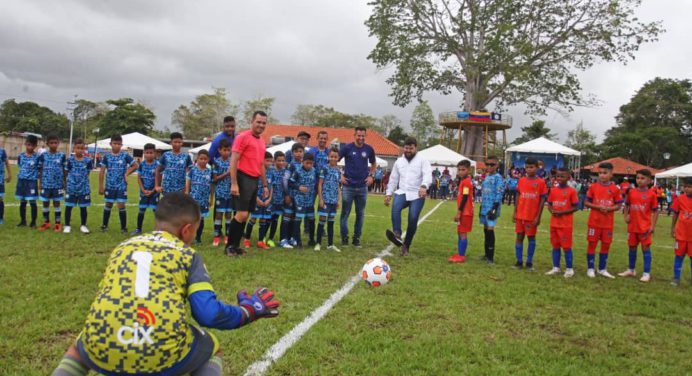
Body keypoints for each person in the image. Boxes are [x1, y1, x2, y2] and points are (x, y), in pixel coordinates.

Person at [50, 192, 280, 376]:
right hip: (159, 349)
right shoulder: (187, 255)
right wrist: (248, 311)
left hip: (103, 342)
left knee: (80, 347)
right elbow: (208, 315)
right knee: (212, 348)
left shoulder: (123, 247)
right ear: (187, 229)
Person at [224, 111, 269, 256]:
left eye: (263, 123)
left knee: (246, 214)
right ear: (252, 121)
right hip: (242, 178)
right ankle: (229, 246)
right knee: (241, 214)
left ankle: (236, 246)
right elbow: (234, 160)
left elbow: (261, 164)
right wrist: (234, 183)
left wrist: (265, 185)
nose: (261, 125)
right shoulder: (242, 137)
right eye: (259, 122)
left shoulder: (262, 141)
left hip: (254, 180)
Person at [384, 137, 432, 256]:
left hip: (417, 193)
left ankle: (406, 245)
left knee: (413, 218)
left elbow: (427, 175)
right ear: (403, 148)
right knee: (395, 208)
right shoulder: (399, 161)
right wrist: (389, 193)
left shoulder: (423, 160)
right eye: (406, 148)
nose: (408, 150)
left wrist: (424, 186)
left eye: (411, 148)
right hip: (403, 192)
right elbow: (393, 178)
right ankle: (397, 234)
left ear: (416, 148)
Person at [618, 169, 659, 282]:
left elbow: (655, 211)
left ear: (649, 180)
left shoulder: (652, 194)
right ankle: (631, 269)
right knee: (632, 247)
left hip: (644, 227)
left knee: (645, 248)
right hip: (632, 227)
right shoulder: (631, 192)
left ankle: (646, 273)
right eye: (638, 178)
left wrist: (652, 225)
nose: (639, 180)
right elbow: (626, 205)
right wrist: (626, 216)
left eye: (642, 178)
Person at [584, 162, 623, 279]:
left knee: (606, 245)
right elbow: (586, 202)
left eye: (605, 173)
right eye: (600, 173)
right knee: (592, 244)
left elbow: (619, 205)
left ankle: (602, 269)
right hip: (594, 222)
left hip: (607, 223)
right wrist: (598, 207)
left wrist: (610, 209)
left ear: (611, 174)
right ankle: (590, 268)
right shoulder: (593, 187)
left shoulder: (615, 189)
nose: (602, 175)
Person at [339, 127, 376, 247]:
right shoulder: (347, 148)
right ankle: (344, 238)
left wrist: (371, 176)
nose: (361, 138)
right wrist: (340, 176)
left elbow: (374, 163)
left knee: (360, 214)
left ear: (365, 136)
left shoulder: (369, 149)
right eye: (358, 135)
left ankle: (356, 238)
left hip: (362, 188)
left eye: (363, 136)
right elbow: (333, 160)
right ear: (354, 135)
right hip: (348, 187)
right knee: (345, 213)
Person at [512, 158, 548, 271]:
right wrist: (515, 211)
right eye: (527, 167)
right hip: (520, 215)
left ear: (537, 168)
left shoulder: (541, 182)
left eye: (531, 167)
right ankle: (519, 261)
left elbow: (542, 201)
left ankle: (529, 262)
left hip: (531, 216)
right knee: (519, 237)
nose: (529, 169)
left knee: (531, 238)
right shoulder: (521, 180)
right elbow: (518, 196)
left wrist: (538, 216)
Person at [98, 134, 137, 233]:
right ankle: (104, 225)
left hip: (121, 185)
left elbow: (135, 165)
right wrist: (101, 186)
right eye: (115, 143)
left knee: (121, 205)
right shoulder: (106, 156)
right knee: (108, 204)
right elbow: (102, 171)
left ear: (121, 145)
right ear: (111, 144)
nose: (117, 146)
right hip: (109, 185)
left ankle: (123, 228)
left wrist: (126, 174)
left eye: (119, 144)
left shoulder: (125, 155)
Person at [545, 168, 579, 277]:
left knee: (566, 247)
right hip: (554, 223)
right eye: (558, 176)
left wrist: (562, 212)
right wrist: (551, 211)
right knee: (555, 246)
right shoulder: (553, 190)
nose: (559, 178)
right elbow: (549, 204)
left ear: (568, 178)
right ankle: (556, 267)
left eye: (562, 176)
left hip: (565, 224)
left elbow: (576, 207)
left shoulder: (571, 191)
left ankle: (569, 269)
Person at [242, 152, 274, 249]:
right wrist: (256, 199)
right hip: (257, 199)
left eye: (271, 161)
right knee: (253, 219)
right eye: (267, 161)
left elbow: (272, 186)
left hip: (266, 201)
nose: (269, 163)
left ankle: (260, 241)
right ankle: (246, 239)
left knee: (263, 219)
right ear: (261, 160)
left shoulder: (271, 172)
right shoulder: (256, 171)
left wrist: (269, 198)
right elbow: (251, 187)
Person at [63, 139, 93, 234]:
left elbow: (87, 173)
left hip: (83, 188)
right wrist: (66, 184)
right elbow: (66, 172)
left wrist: (82, 182)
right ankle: (67, 225)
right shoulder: (70, 160)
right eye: (78, 148)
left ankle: (83, 225)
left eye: (82, 148)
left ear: (84, 149)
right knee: (68, 207)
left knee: (83, 207)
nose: (80, 150)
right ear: (74, 148)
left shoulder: (88, 161)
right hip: (71, 187)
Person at [37, 134, 67, 231]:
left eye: (55, 143)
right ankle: (46, 223)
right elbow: (40, 169)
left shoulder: (62, 155)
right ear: (47, 144)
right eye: (51, 143)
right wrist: (40, 183)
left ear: (58, 143)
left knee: (57, 203)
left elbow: (65, 170)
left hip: (57, 184)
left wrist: (65, 182)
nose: (53, 144)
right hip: (46, 184)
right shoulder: (43, 155)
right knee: (45, 203)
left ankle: (58, 224)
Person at [315, 148, 342, 252]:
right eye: (331, 156)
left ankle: (330, 245)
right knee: (322, 221)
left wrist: (338, 200)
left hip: (333, 200)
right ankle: (318, 243)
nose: (333, 158)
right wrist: (321, 199)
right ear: (328, 157)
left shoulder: (338, 171)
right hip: (325, 200)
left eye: (335, 157)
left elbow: (338, 186)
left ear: (338, 158)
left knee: (331, 222)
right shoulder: (324, 169)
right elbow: (320, 184)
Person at [305, 130, 329, 245]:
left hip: (324, 185)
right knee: (309, 205)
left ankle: (321, 228)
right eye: (321, 138)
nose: (323, 140)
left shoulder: (329, 152)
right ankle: (307, 228)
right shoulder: (312, 151)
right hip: (312, 183)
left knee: (322, 206)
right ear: (317, 139)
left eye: (325, 138)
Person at [480, 156, 504, 264]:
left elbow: (499, 193)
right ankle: (486, 254)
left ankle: (491, 258)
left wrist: (494, 208)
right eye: (487, 164)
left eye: (492, 164)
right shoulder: (486, 176)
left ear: (497, 166)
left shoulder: (498, 177)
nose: (489, 166)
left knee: (490, 230)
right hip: (484, 206)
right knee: (485, 230)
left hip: (492, 207)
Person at [289, 153, 317, 248]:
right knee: (298, 219)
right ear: (302, 162)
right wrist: (299, 187)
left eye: (311, 163)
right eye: (307, 163)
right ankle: (298, 241)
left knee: (311, 219)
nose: (309, 165)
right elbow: (290, 183)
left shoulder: (314, 171)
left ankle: (312, 239)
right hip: (299, 199)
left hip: (310, 199)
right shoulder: (297, 171)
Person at [185, 150, 213, 244]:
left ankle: (198, 238)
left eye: (205, 159)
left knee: (201, 219)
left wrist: (211, 198)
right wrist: (187, 193)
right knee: (192, 219)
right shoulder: (193, 170)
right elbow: (188, 182)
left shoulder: (209, 172)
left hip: (204, 200)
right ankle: (189, 236)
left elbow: (211, 186)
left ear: (208, 160)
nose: (203, 161)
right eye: (201, 158)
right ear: (197, 159)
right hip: (193, 199)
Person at [449, 159, 474, 263]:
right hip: (463, 212)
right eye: (459, 170)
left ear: (469, 170)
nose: (460, 172)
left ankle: (461, 256)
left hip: (466, 212)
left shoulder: (467, 182)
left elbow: (465, 197)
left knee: (463, 233)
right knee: (459, 232)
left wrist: (459, 212)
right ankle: (459, 253)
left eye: (463, 170)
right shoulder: (463, 181)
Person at [281, 143, 305, 248]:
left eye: (300, 151)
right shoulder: (291, 165)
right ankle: (283, 239)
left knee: (294, 217)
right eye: (296, 151)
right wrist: (286, 195)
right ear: (292, 153)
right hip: (290, 195)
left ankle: (292, 238)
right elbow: (285, 180)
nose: (298, 154)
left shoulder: (303, 165)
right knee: (287, 217)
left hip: (298, 197)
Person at [131, 143, 159, 235]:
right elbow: (139, 178)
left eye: (151, 153)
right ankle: (138, 229)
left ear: (155, 153)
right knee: (141, 210)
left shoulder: (158, 165)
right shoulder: (142, 164)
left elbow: (159, 178)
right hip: (143, 192)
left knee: (156, 211)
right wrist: (143, 190)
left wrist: (153, 190)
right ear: (144, 153)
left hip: (154, 192)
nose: (149, 154)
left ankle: (158, 230)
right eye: (147, 152)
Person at [670, 177, 692, 286]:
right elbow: (675, 214)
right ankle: (676, 278)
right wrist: (672, 228)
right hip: (681, 235)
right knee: (678, 256)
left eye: (689, 187)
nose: (687, 189)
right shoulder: (680, 199)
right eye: (685, 187)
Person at [212, 139, 233, 247]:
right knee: (219, 214)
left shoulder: (232, 161)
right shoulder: (216, 162)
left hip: (230, 193)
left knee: (229, 214)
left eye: (228, 150)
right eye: (224, 150)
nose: (226, 152)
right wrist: (227, 173)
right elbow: (215, 179)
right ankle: (216, 236)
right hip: (220, 192)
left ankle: (228, 236)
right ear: (219, 150)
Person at [15, 135, 39, 227]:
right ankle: (23, 221)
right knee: (22, 202)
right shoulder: (20, 156)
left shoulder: (37, 157)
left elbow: (39, 168)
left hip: (32, 182)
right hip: (21, 181)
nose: (30, 147)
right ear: (25, 144)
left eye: (32, 145)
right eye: (28, 144)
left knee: (33, 202)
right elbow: (20, 166)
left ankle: (33, 222)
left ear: (35, 146)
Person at [267, 151, 287, 247]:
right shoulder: (271, 170)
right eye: (279, 160)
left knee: (275, 219)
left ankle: (270, 238)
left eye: (283, 160)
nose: (281, 163)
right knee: (267, 219)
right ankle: (262, 237)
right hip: (271, 199)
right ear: (274, 161)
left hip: (281, 200)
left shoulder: (285, 172)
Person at [0, 142, 11, 224]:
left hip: (0, 180)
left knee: (0, 199)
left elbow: (7, 163)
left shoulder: (2, 151)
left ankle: (0, 218)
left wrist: (10, 174)